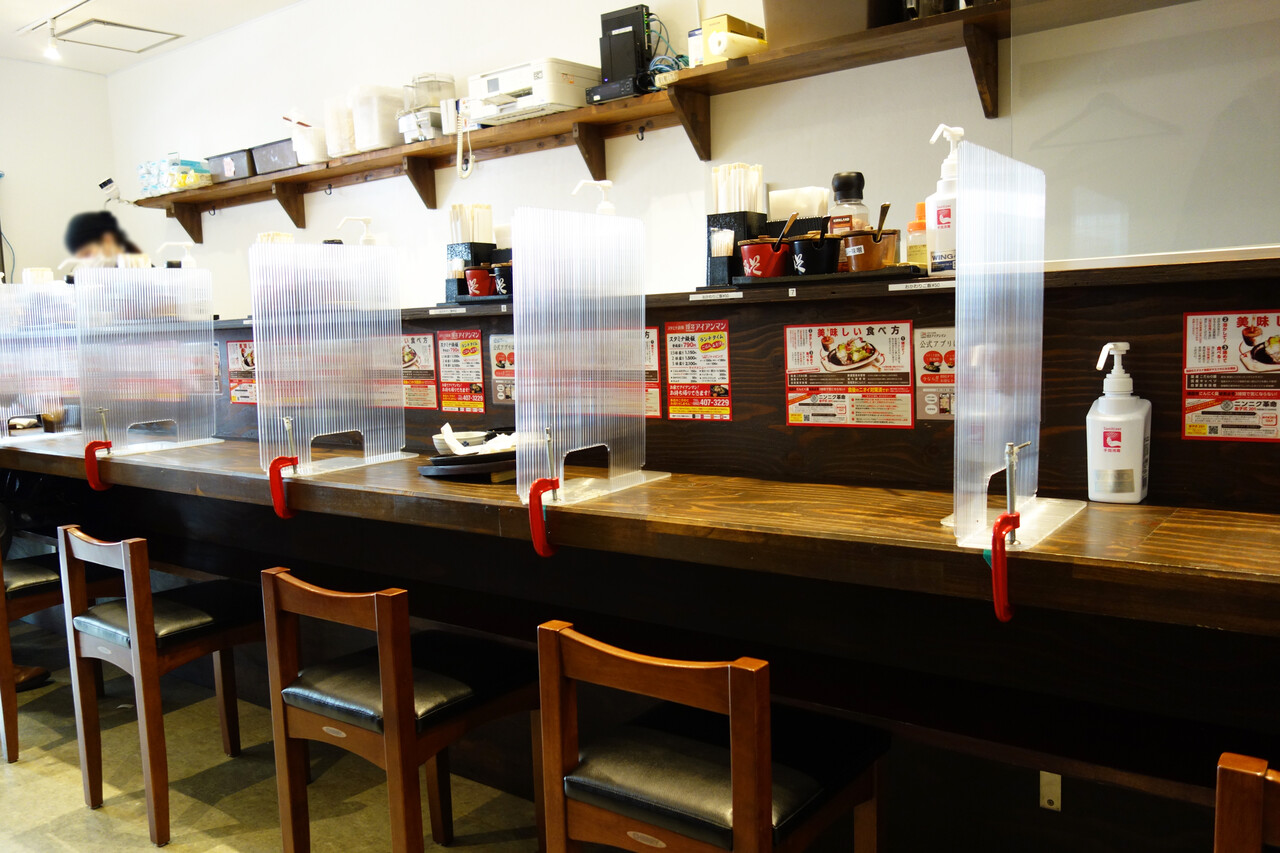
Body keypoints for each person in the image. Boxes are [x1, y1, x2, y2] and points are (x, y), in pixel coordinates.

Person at [63, 210, 143, 261]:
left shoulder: (144, 274)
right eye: (82, 260)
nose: (87, 262)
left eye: (87, 254)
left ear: (108, 239)